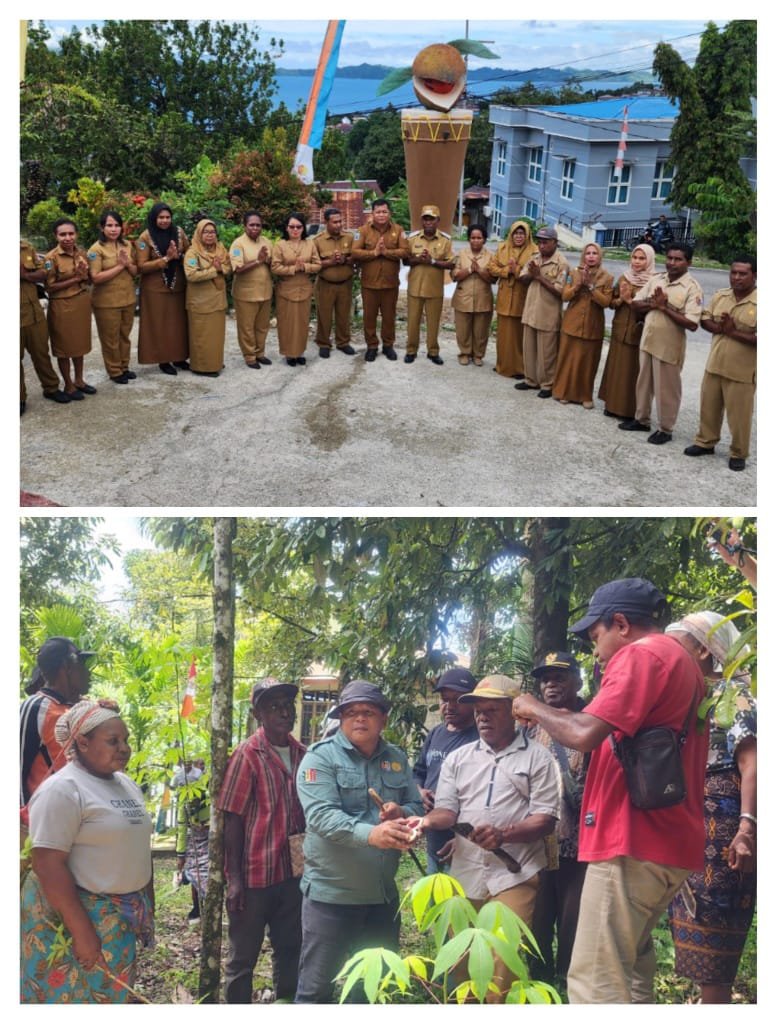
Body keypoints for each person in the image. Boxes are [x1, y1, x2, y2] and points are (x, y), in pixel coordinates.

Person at [511, 578, 708, 1004]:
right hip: (666, 841)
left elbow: (583, 732)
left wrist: (531, 706)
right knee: (632, 967)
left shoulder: (642, 654)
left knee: (594, 981)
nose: (594, 649)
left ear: (620, 623)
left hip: (632, 841)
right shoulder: (684, 661)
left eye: (595, 635)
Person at [421, 674, 559, 1003]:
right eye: (479, 710)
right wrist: (421, 821)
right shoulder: (459, 759)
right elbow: (447, 811)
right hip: (466, 871)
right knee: (462, 955)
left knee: (502, 959)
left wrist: (504, 834)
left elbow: (545, 819)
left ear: (513, 712)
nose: (482, 717)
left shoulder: (538, 758)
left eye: (492, 710)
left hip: (515, 873)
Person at [294, 680, 422, 1003]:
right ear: (340, 719)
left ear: (384, 719)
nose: (359, 719)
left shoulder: (396, 758)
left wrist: (401, 811)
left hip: (381, 899)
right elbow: (322, 817)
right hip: (331, 899)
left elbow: (418, 807)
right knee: (315, 993)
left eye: (368, 712)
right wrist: (373, 834)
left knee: (371, 992)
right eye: (350, 712)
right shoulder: (319, 759)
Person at [21, 699, 154, 1003]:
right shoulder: (63, 789)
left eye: (125, 740)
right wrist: (81, 932)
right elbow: (47, 864)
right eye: (112, 741)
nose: (124, 748)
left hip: (118, 919)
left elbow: (136, 846)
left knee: (111, 996)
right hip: (78, 918)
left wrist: (147, 905)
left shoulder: (126, 784)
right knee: (72, 998)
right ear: (82, 742)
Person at [664, 612, 756, 1004]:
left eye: (679, 642)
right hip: (692, 830)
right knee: (693, 929)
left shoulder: (734, 696)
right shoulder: (693, 697)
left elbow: (753, 764)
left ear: (704, 649)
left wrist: (746, 827)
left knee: (716, 937)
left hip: (723, 834)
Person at [217, 678, 307, 1004]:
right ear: (259, 714)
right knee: (243, 957)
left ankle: (285, 1005)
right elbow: (233, 818)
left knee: (290, 949)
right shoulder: (248, 754)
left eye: (287, 705)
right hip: (256, 875)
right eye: (274, 706)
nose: (284, 712)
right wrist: (235, 879)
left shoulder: (303, 754)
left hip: (293, 874)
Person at [526, 652, 590, 988]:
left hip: (579, 842)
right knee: (537, 916)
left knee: (572, 919)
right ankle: (538, 980)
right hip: (538, 842)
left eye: (559, 677)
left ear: (578, 680)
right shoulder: (532, 726)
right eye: (545, 678)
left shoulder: (593, 720)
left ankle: (567, 983)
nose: (551, 685)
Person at [619, 242, 703, 445]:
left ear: (688, 262)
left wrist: (665, 308)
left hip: (669, 346)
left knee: (667, 389)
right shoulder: (656, 279)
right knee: (644, 384)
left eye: (678, 259)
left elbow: (692, 323)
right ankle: (642, 420)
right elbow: (636, 305)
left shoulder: (692, 288)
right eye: (670, 258)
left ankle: (666, 429)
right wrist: (652, 303)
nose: (672, 263)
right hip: (648, 340)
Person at [683, 255, 757, 471]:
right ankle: (706, 442)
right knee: (709, 408)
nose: (737, 278)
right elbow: (705, 318)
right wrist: (718, 328)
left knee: (740, 416)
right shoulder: (720, 296)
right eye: (733, 273)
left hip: (742, 371)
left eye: (743, 273)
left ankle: (738, 452)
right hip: (715, 363)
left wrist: (733, 332)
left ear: (754, 275)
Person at [412, 667, 479, 872]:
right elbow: (419, 771)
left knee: (460, 898)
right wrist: (419, 790)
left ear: (472, 701)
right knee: (435, 892)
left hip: (463, 835)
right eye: (444, 699)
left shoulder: (479, 738)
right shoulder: (436, 733)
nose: (449, 706)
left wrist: (465, 837)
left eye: (457, 699)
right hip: (434, 833)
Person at [21, 637, 95, 811]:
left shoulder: (82, 708)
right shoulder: (36, 707)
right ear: (66, 668)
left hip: (82, 819)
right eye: (82, 664)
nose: (88, 672)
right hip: (45, 821)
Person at [598, 243, 656, 420]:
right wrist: (621, 300)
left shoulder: (654, 281)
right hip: (620, 328)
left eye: (642, 258)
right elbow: (612, 303)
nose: (637, 262)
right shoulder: (625, 277)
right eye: (634, 257)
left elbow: (651, 309)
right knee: (616, 368)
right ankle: (612, 405)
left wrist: (630, 300)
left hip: (638, 332)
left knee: (633, 372)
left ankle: (630, 411)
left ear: (650, 260)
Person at [552, 243, 613, 409]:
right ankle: (563, 392)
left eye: (595, 253)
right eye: (588, 253)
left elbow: (606, 302)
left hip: (593, 326)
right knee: (567, 359)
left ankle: (585, 395)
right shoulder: (573, 273)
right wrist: (578, 285)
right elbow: (564, 296)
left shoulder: (607, 277)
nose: (591, 256)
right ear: (583, 256)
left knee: (588, 362)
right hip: (572, 323)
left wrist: (591, 287)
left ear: (600, 256)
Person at [136, 202, 190, 376]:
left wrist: (179, 256)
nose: (165, 221)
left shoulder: (179, 232)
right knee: (159, 324)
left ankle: (179, 357)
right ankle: (164, 360)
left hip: (178, 286)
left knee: (178, 324)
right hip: (155, 289)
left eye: (167, 217)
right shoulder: (145, 237)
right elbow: (142, 266)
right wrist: (166, 259)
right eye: (161, 217)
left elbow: (189, 254)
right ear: (154, 218)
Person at [516, 226, 570, 398]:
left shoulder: (562, 263)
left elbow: (560, 292)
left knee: (547, 353)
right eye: (539, 241)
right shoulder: (534, 258)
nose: (541, 245)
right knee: (529, 349)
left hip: (548, 314)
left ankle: (547, 384)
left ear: (555, 243)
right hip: (531, 310)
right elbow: (522, 279)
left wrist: (539, 277)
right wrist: (532, 275)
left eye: (546, 242)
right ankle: (531, 380)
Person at [44, 218, 94, 400]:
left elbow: (88, 279)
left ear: (76, 234)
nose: (67, 238)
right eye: (62, 234)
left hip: (81, 304)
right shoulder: (51, 258)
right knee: (64, 348)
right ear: (56, 236)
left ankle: (79, 380)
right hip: (62, 306)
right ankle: (68, 385)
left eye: (71, 233)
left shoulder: (82, 253)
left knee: (79, 345)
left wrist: (86, 277)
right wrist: (76, 279)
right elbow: (49, 287)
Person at [351, 198, 407, 362]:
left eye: (384, 211)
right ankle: (372, 346)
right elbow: (354, 252)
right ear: (372, 213)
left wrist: (386, 252)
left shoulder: (398, 230)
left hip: (390, 283)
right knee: (369, 316)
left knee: (389, 316)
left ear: (389, 213)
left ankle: (388, 346)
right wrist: (374, 253)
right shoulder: (363, 231)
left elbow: (405, 251)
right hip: (369, 283)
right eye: (378, 212)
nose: (381, 215)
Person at [88, 209, 138, 385]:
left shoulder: (127, 245)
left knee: (124, 335)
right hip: (106, 302)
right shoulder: (96, 249)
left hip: (127, 298)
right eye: (109, 225)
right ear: (102, 228)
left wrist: (128, 264)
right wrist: (119, 266)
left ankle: (124, 367)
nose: (113, 229)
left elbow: (134, 271)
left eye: (117, 225)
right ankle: (115, 371)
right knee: (110, 339)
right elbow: (95, 278)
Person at [403, 205, 455, 365]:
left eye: (432, 219)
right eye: (425, 219)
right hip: (415, 288)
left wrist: (432, 261)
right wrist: (419, 259)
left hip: (434, 289)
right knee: (412, 322)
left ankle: (433, 352)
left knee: (433, 324)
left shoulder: (445, 241)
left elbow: (451, 264)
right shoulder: (412, 239)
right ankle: (411, 350)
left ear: (438, 220)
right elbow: (405, 260)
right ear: (422, 221)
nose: (428, 222)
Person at [20, 238, 67, 413]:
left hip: (34, 313)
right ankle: (19, 398)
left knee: (41, 353)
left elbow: (44, 272)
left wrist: (25, 275)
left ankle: (51, 388)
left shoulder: (26, 248)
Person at [487, 220, 538, 380]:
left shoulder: (534, 251)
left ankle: (519, 369)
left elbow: (531, 273)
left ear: (527, 235)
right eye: (516, 233)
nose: (519, 236)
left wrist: (516, 269)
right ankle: (502, 365)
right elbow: (491, 267)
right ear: (511, 234)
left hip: (522, 297)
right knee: (502, 335)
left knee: (518, 335)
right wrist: (506, 270)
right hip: (504, 296)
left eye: (522, 233)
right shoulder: (503, 248)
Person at [271, 213, 321, 367]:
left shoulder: (309, 244)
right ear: (286, 228)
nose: (295, 230)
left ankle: (300, 352)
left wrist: (305, 267)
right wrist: (293, 268)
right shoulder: (280, 245)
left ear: (303, 228)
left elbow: (318, 264)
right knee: (287, 323)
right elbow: (275, 267)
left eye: (298, 227)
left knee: (301, 323)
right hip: (286, 289)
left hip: (304, 288)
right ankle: (289, 354)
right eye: (291, 226)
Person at [184, 219, 231, 377]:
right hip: (200, 302)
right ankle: (202, 367)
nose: (210, 235)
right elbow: (191, 275)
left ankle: (215, 362)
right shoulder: (192, 252)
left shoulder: (220, 249)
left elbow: (228, 266)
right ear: (199, 233)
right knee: (202, 336)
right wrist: (214, 270)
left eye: (212, 232)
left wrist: (221, 269)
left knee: (216, 336)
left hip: (217, 300)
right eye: (206, 232)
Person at [229, 210, 275, 369]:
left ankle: (260, 353)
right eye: (252, 225)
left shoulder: (267, 242)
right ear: (245, 226)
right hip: (245, 294)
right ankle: (249, 356)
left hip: (265, 292)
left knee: (262, 326)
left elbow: (272, 264)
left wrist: (268, 261)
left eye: (258, 225)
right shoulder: (238, 244)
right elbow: (237, 269)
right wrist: (258, 261)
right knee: (246, 327)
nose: (255, 228)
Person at [313, 208, 356, 358]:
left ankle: (343, 342)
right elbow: (314, 263)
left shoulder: (349, 238)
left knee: (343, 314)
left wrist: (346, 260)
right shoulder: (318, 240)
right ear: (326, 222)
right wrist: (330, 262)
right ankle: (324, 343)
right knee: (324, 315)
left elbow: (356, 257)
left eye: (340, 221)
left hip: (345, 282)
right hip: (325, 283)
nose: (338, 225)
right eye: (335, 222)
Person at [450, 224, 494, 366]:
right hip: (463, 297)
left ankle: (478, 355)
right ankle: (464, 353)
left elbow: (493, 279)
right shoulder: (460, 254)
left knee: (481, 330)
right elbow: (455, 276)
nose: (476, 241)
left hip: (483, 298)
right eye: (473, 238)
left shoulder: (491, 256)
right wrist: (469, 269)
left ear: (484, 240)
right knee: (463, 329)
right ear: (468, 239)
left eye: (479, 238)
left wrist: (480, 271)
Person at [172, 759, 208, 926]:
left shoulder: (208, 803)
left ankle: (207, 909)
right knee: (195, 877)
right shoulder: (183, 805)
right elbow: (181, 830)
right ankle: (197, 909)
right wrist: (180, 856)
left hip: (208, 845)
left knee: (208, 878)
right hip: (193, 845)